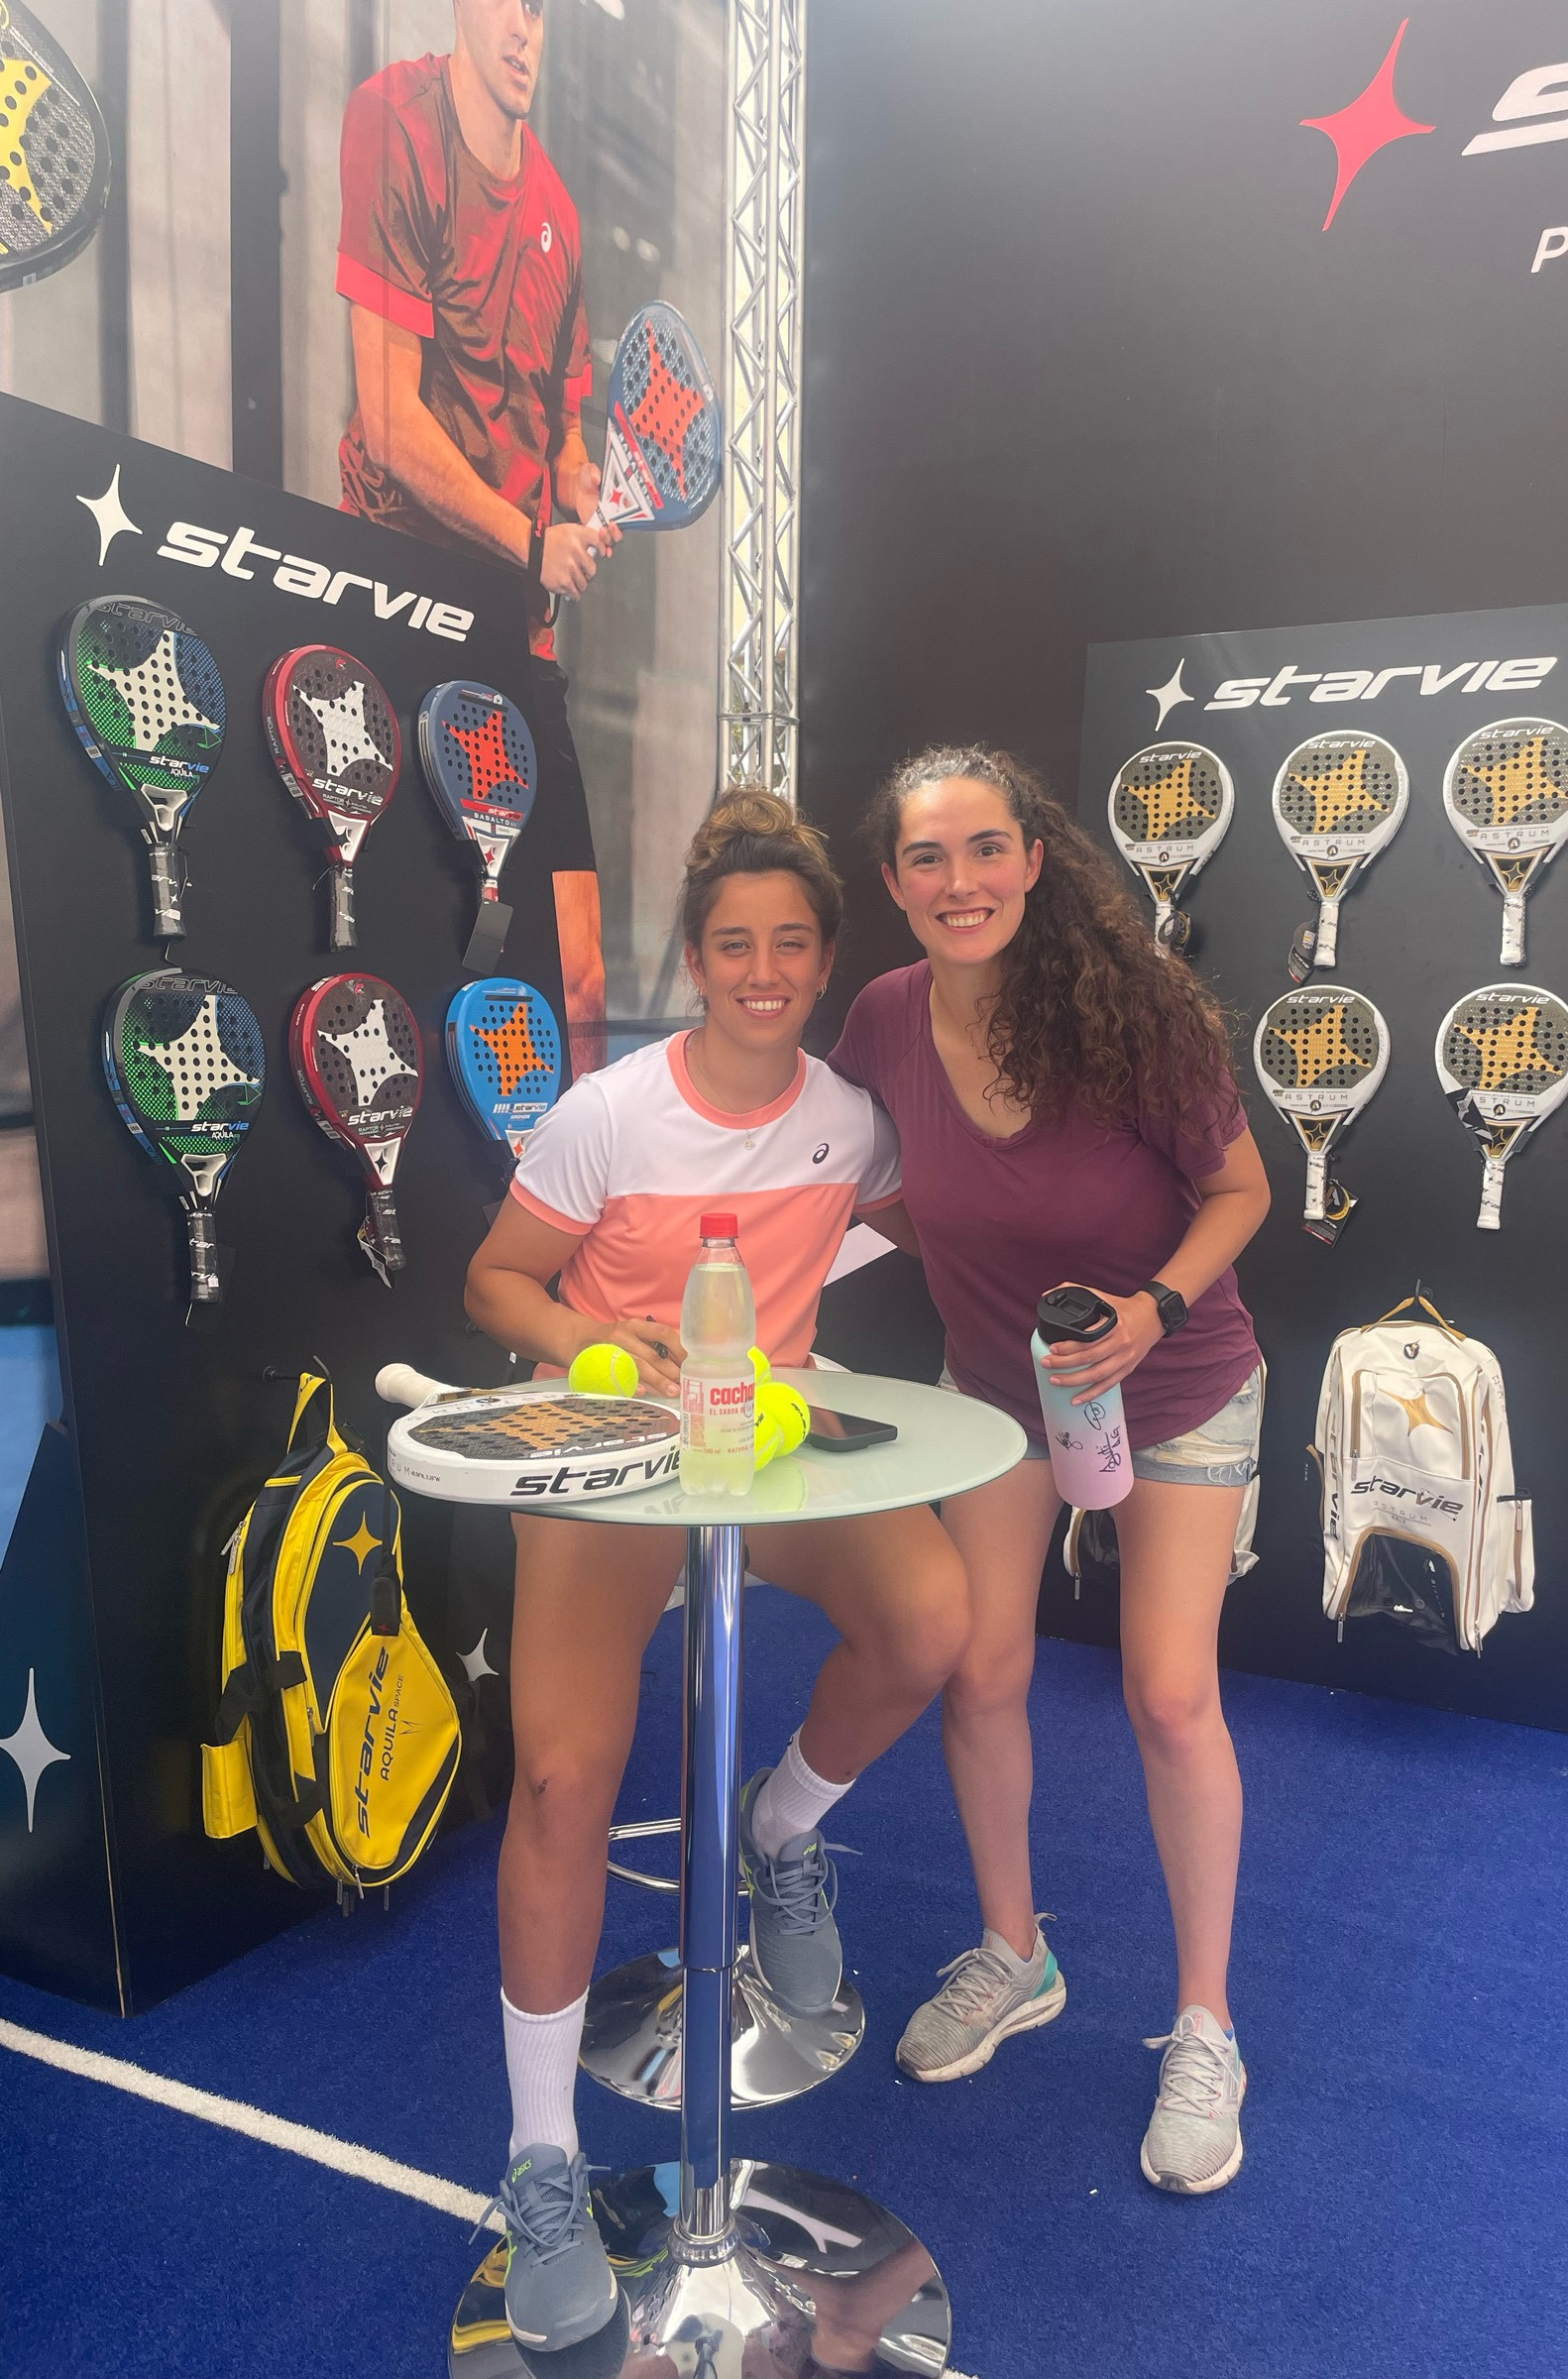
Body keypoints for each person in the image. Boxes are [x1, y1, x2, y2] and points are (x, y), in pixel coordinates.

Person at [463, 789, 970, 2350]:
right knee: (563, 1781)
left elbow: (947, 1224)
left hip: (759, 1451)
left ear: (823, 962)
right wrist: (593, 1338)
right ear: (695, 958)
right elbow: (496, 1282)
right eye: (735, 944)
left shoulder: (851, 1120)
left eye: (791, 944)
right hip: (609, 1472)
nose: (763, 971)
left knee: (929, 1618)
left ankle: (782, 1826)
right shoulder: (607, 1113)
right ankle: (542, 2164)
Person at [829, 745, 1272, 2197]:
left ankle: (1205, 2027)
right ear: (895, 882)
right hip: (998, 1395)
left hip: (1182, 1383)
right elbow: (845, 1167)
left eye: (985, 849)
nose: (960, 881)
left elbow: (1242, 1189)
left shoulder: (1134, 1009)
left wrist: (1153, 1309)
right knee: (981, 1669)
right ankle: (1015, 1955)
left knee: (1169, 1695)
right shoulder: (883, 1019)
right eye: (928, 858)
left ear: (1032, 859)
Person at [335, 0, 616, 815]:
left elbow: (563, 432)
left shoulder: (560, 213)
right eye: (506, 2)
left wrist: (579, 486)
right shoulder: (393, 120)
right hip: (393, 599)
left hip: (514, 629)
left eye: (539, 8)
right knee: (389, 893)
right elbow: (389, 426)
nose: (524, 29)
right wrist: (534, 545)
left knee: (571, 904)